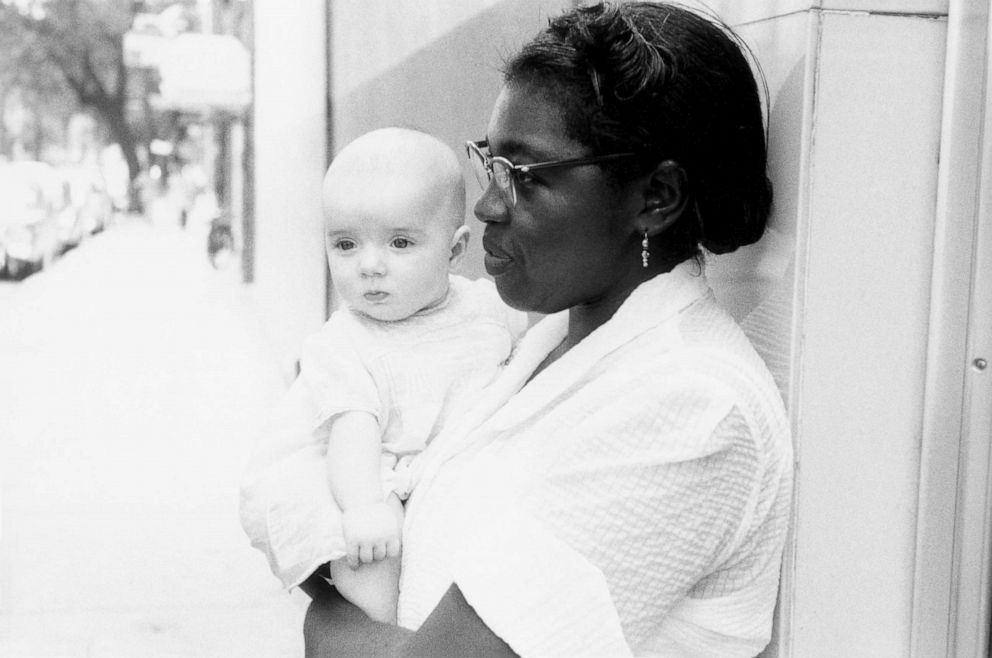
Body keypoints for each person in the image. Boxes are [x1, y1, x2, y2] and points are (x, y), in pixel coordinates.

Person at [248, 3, 794, 656]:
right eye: (489, 162)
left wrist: (323, 619)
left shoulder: (694, 408)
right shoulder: (540, 342)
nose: (485, 205)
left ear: (655, 198)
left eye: (525, 176)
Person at [239, 127, 527, 624]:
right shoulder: (344, 343)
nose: (370, 266)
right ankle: (383, 630)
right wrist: (364, 506)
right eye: (346, 244)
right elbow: (354, 432)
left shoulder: (486, 309)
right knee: (371, 555)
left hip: (459, 465)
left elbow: (520, 365)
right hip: (378, 474)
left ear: (455, 251)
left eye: (399, 243)